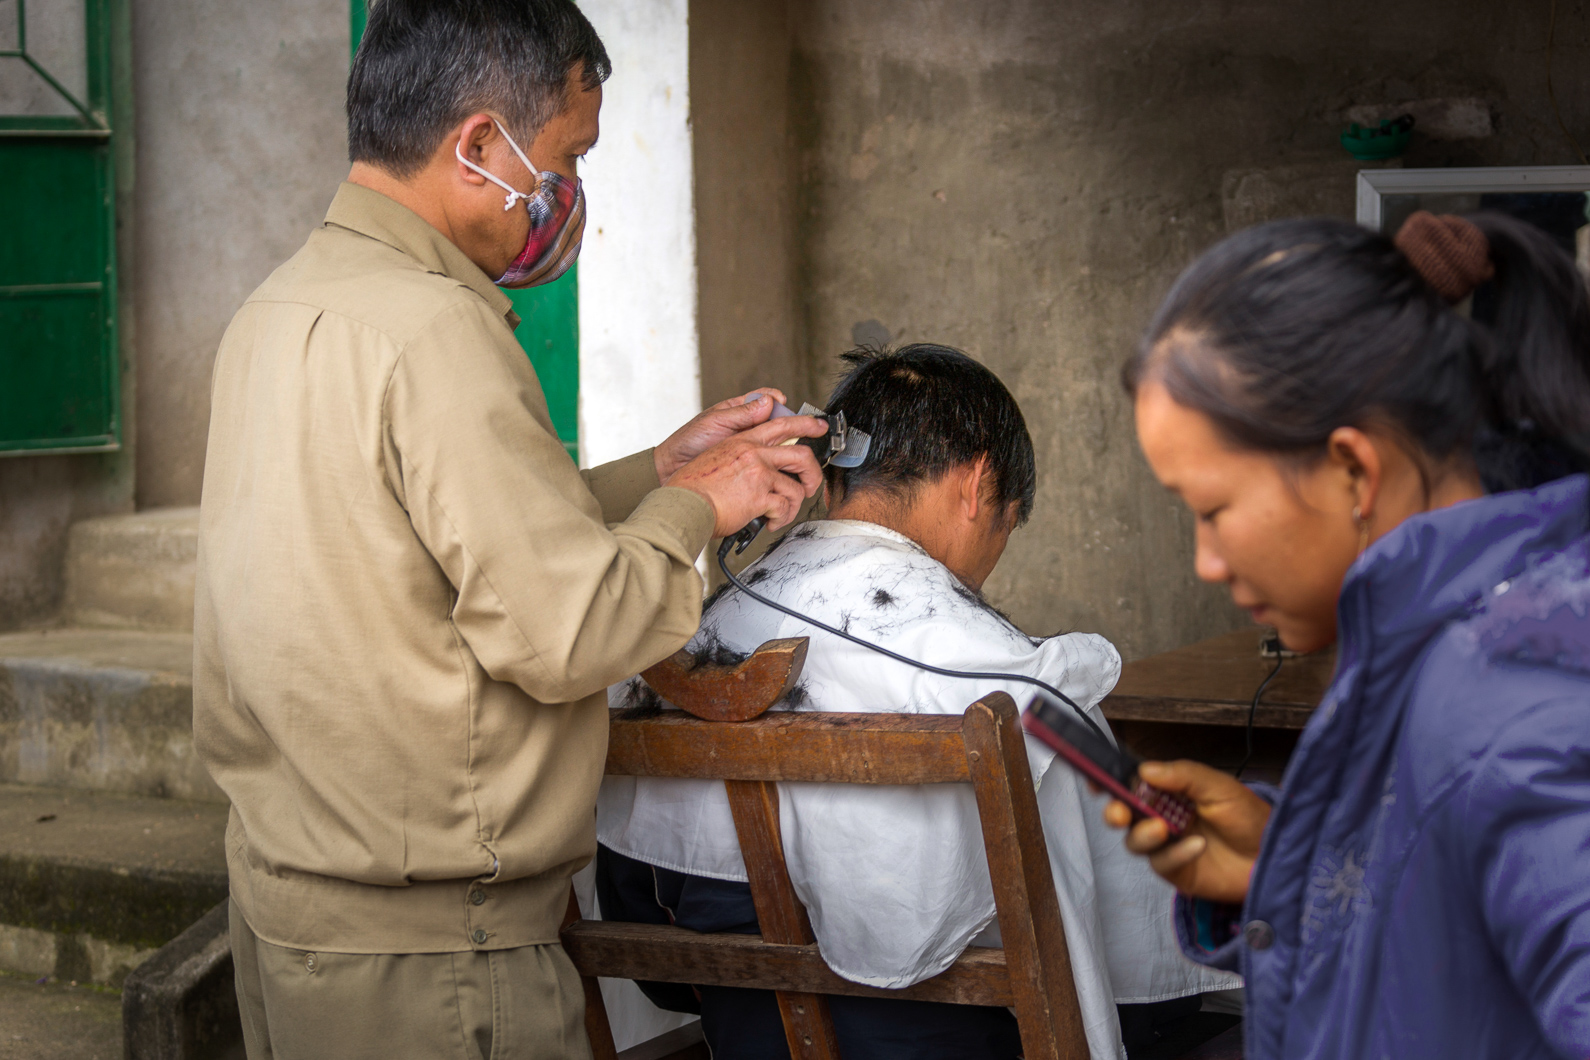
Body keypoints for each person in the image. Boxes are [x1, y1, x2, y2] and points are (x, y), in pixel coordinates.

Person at [192, 3, 827, 1058]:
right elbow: (566, 628)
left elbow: (441, 544)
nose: (570, 198)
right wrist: (703, 505)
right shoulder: (438, 330)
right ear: (480, 146)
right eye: (567, 157)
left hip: (295, 917)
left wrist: (657, 472)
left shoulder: (284, 307)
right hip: (435, 968)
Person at [596, 345, 1241, 1060]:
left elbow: (647, 940)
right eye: (1006, 523)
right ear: (979, 484)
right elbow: (1135, 950)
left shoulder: (681, 647)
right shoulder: (1008, 683)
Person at [1111, 210, 1590, 1058]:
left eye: (1213, 511)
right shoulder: (1452, 651)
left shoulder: (1522, 709)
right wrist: (1296, 877)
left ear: (1351, 470)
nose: (1206, 563)